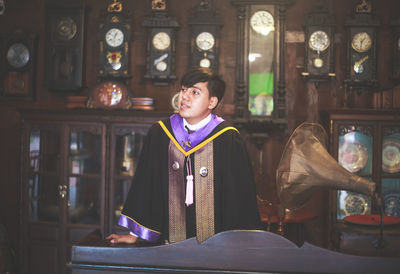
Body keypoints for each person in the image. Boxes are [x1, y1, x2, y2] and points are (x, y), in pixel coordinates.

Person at [107, 67, 261, 244]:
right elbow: (146, 187)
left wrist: (237, 246)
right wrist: (135, 235)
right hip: (168, 247)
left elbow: (239, 198)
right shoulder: (161, 134)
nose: (184, 97)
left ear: (212, 102)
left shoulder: (227, 139)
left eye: (195, 92)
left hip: (216, 251)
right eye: (183, 90)